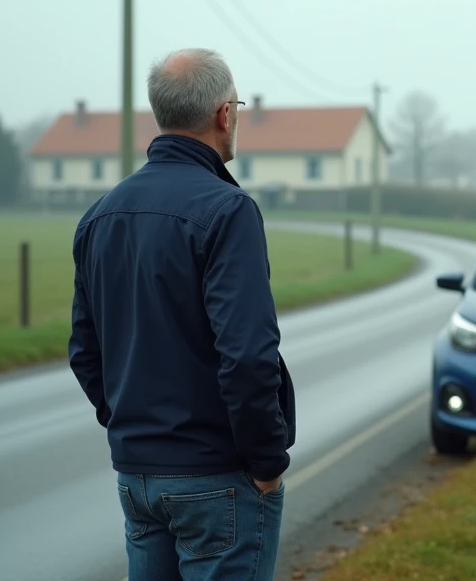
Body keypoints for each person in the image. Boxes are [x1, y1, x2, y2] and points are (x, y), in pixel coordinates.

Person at [68, 47, 296, 581]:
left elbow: (85, 353)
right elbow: (246, 357)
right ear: (224, 114)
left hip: (137, 477)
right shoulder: (228, 210)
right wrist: (266, 463)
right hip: (217, 477)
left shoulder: (99, 216)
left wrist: (134, 429)